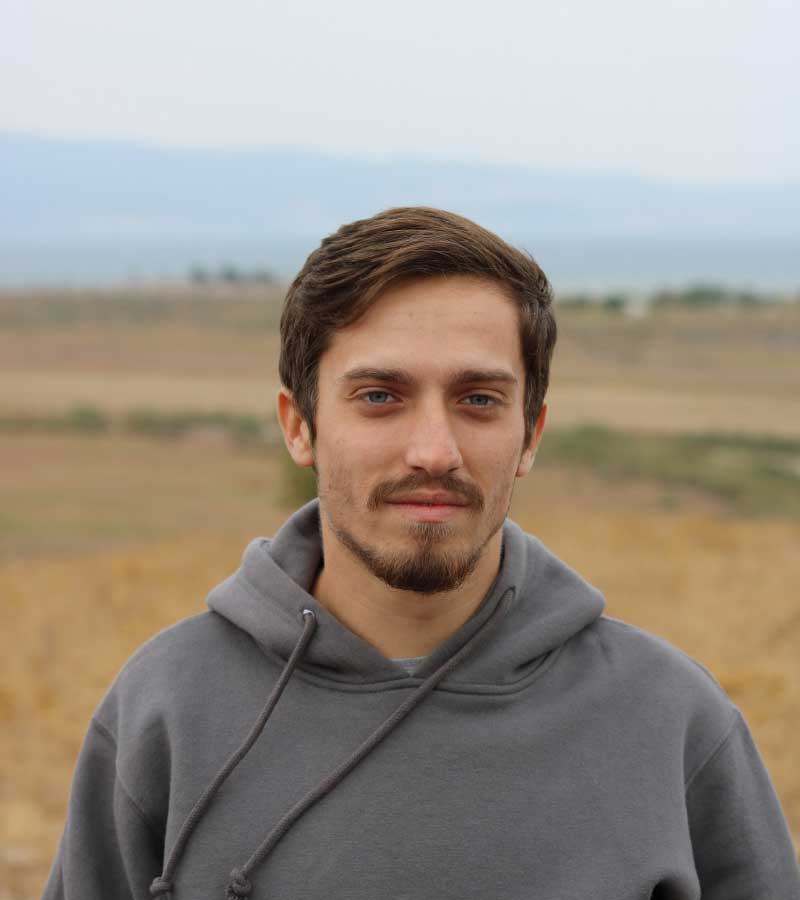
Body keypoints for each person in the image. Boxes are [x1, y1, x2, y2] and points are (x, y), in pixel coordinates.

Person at [43, 207, 799, 900]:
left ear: (530, 435)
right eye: (380, 396)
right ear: (299, 426)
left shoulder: (670, 721)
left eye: (479, 400)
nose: (434, 451)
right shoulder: (167, 709)